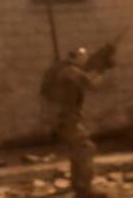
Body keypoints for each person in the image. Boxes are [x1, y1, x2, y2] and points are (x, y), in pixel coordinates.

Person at [41, 47, 110, 198]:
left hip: (61, 117)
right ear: (77, 58)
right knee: (86, 148)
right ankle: (84, 188)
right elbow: (92, 85)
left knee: (77, 150)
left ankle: (78, 185)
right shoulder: (71, 71)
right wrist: (101, 70)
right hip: (66, 118)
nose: (86, 60)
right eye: (84, 57)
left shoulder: (60, 69)